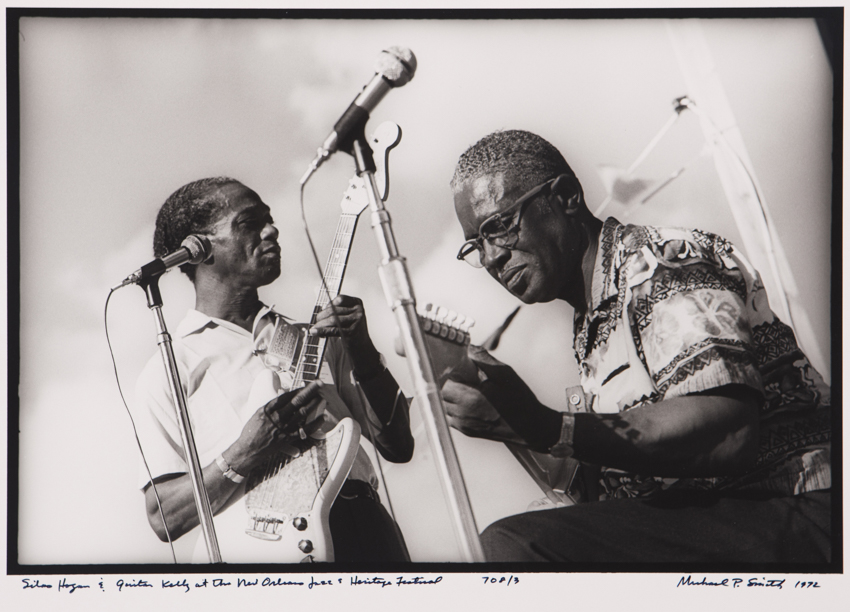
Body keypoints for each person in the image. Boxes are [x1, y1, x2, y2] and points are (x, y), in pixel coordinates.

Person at [442, 130, 832, 563]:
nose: (492, 256)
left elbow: (728, 433)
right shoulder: (592, 322)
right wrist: (516, 424)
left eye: (499, 226)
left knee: (514, 547)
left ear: (567, 197)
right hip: (719, 521)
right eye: (476, 245)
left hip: (790, 508)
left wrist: (549, 427)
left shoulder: (664, 261)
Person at [132, 177, 413, 563]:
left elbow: (398, 445)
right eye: (249, 223)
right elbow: (164, 517)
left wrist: (362, 347)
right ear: (198, 249)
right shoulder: (169, 369)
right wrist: (245, 452)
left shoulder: (315, 337)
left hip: (368, 530)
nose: (272, 230)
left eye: (270, 219)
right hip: (275, 557)